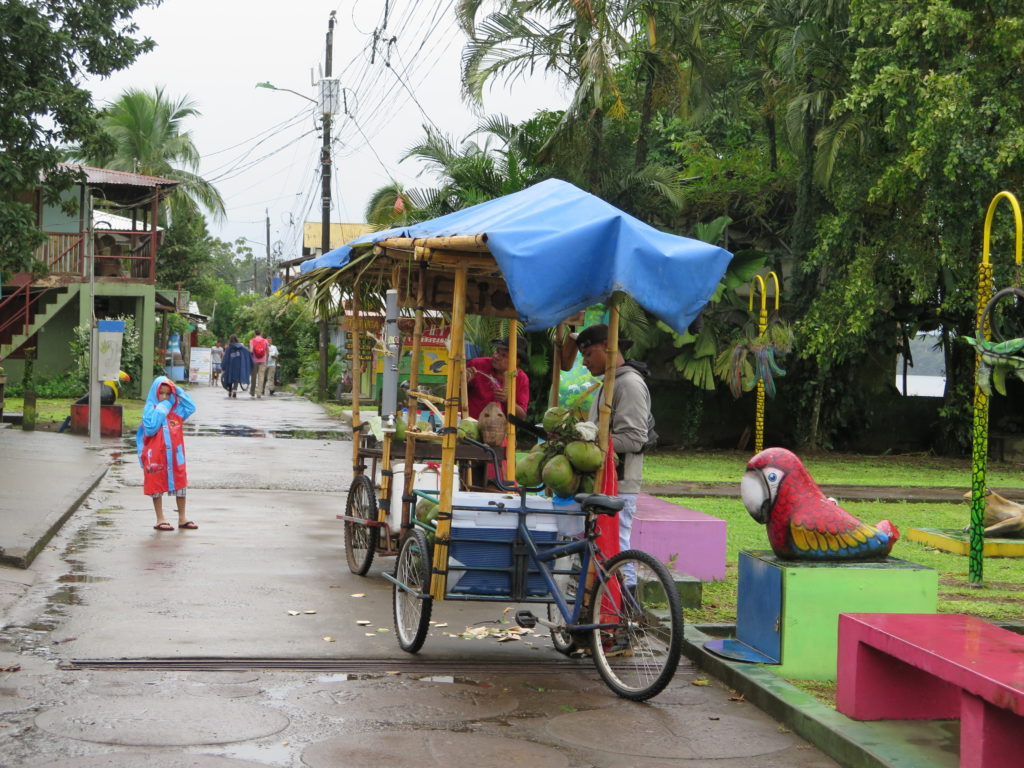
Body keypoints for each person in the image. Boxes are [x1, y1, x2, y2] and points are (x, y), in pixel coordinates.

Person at [575, 324, 655, 560]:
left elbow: (633, 438)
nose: (584, 363)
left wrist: (588, 442)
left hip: (618, 485)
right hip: (603, 483)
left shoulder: (629, 383)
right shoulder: (608, 384)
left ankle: (626, 596)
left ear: (608, 348)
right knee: (601, 555)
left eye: (588, 354)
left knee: (617, 554)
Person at [136, 376, 197, 531]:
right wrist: (162, 408)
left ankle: (182, 517)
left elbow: (191, 407)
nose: (164, 397)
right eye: (161, 393)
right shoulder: (150, 410)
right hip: (156, 456)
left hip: (175, 457)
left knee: (180, 484)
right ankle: (160, 518)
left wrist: (177, 390)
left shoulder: (176, 411)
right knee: (156, 485)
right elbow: (150, 428)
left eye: (168, 394)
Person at [466, 338, 529, 419]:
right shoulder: (477, 364)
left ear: (516, 361)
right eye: (497, 352)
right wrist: (464, 381)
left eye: (504, 355)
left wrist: (507, 400)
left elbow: (522, 415)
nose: (496, 357)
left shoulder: (521, 378)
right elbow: (455, 392)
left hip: (499, 429)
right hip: (470, 425)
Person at [221, 334, 252, 398]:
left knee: (229, 378)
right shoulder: (241, 347)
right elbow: (248, 351)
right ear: (236, 339)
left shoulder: (228, 348)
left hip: (230, 366)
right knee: (236, 379)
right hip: (238, 366)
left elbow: (226, 358)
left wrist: (223, 366)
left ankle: (230, 391)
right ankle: (234, 391)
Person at [249, 330, 269, 398]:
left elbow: (251, 351)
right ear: (261, 333)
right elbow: (267, 351)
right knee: (261, 377)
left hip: (254, 361)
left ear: (255, 334)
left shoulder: (252, 341)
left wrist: (250, 359)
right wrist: (266, 360)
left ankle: (252, 392)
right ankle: (259, 393)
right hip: (263, 360)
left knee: (253, 377)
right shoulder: (265, 341)